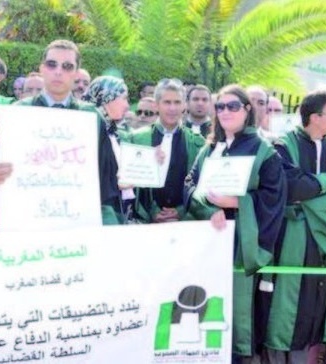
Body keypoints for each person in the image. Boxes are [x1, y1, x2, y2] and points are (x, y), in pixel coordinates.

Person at [185, 84, 287, 362]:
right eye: (220, 106)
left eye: (233, 106)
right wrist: (207, 210)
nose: (225, 111)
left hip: (242, 244)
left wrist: (238, 203)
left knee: (237, 319)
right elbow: (190, 185)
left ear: (247, 110)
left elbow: (274, 198)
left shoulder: (265, 151)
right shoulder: (210, 149)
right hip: (209, 243)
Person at [264, 90, 326, 362]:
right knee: (284, 309)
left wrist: (307, 203)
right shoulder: (283, 145)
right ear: (315, 117)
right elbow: (290, 187)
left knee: (315, 309)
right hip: (290, 240)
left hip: (325, 244)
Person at [11, 39, 122, 224]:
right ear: (42, 68)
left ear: (76, 73)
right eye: (52, 64)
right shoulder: (18, 112)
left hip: (79, 220)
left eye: (67, 66)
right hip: (29, 218)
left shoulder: (92, 118)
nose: (58, 71)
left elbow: (105, 178)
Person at [130, 79, 204, 223]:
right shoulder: (137, 139)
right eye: (167, 102)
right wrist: (153, 211)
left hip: (185, 222)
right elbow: (132, 184)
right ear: (157, 105)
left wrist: (181, 211)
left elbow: (200, 185)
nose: (172, 108)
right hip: (146, 222)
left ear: (184, 105)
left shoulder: (197, 142)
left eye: (177, 102)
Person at [82, 75, 133, 221]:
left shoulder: (116, 134)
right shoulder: (91, 131)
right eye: (124, 98)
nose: (127, 105)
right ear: (107, 97)